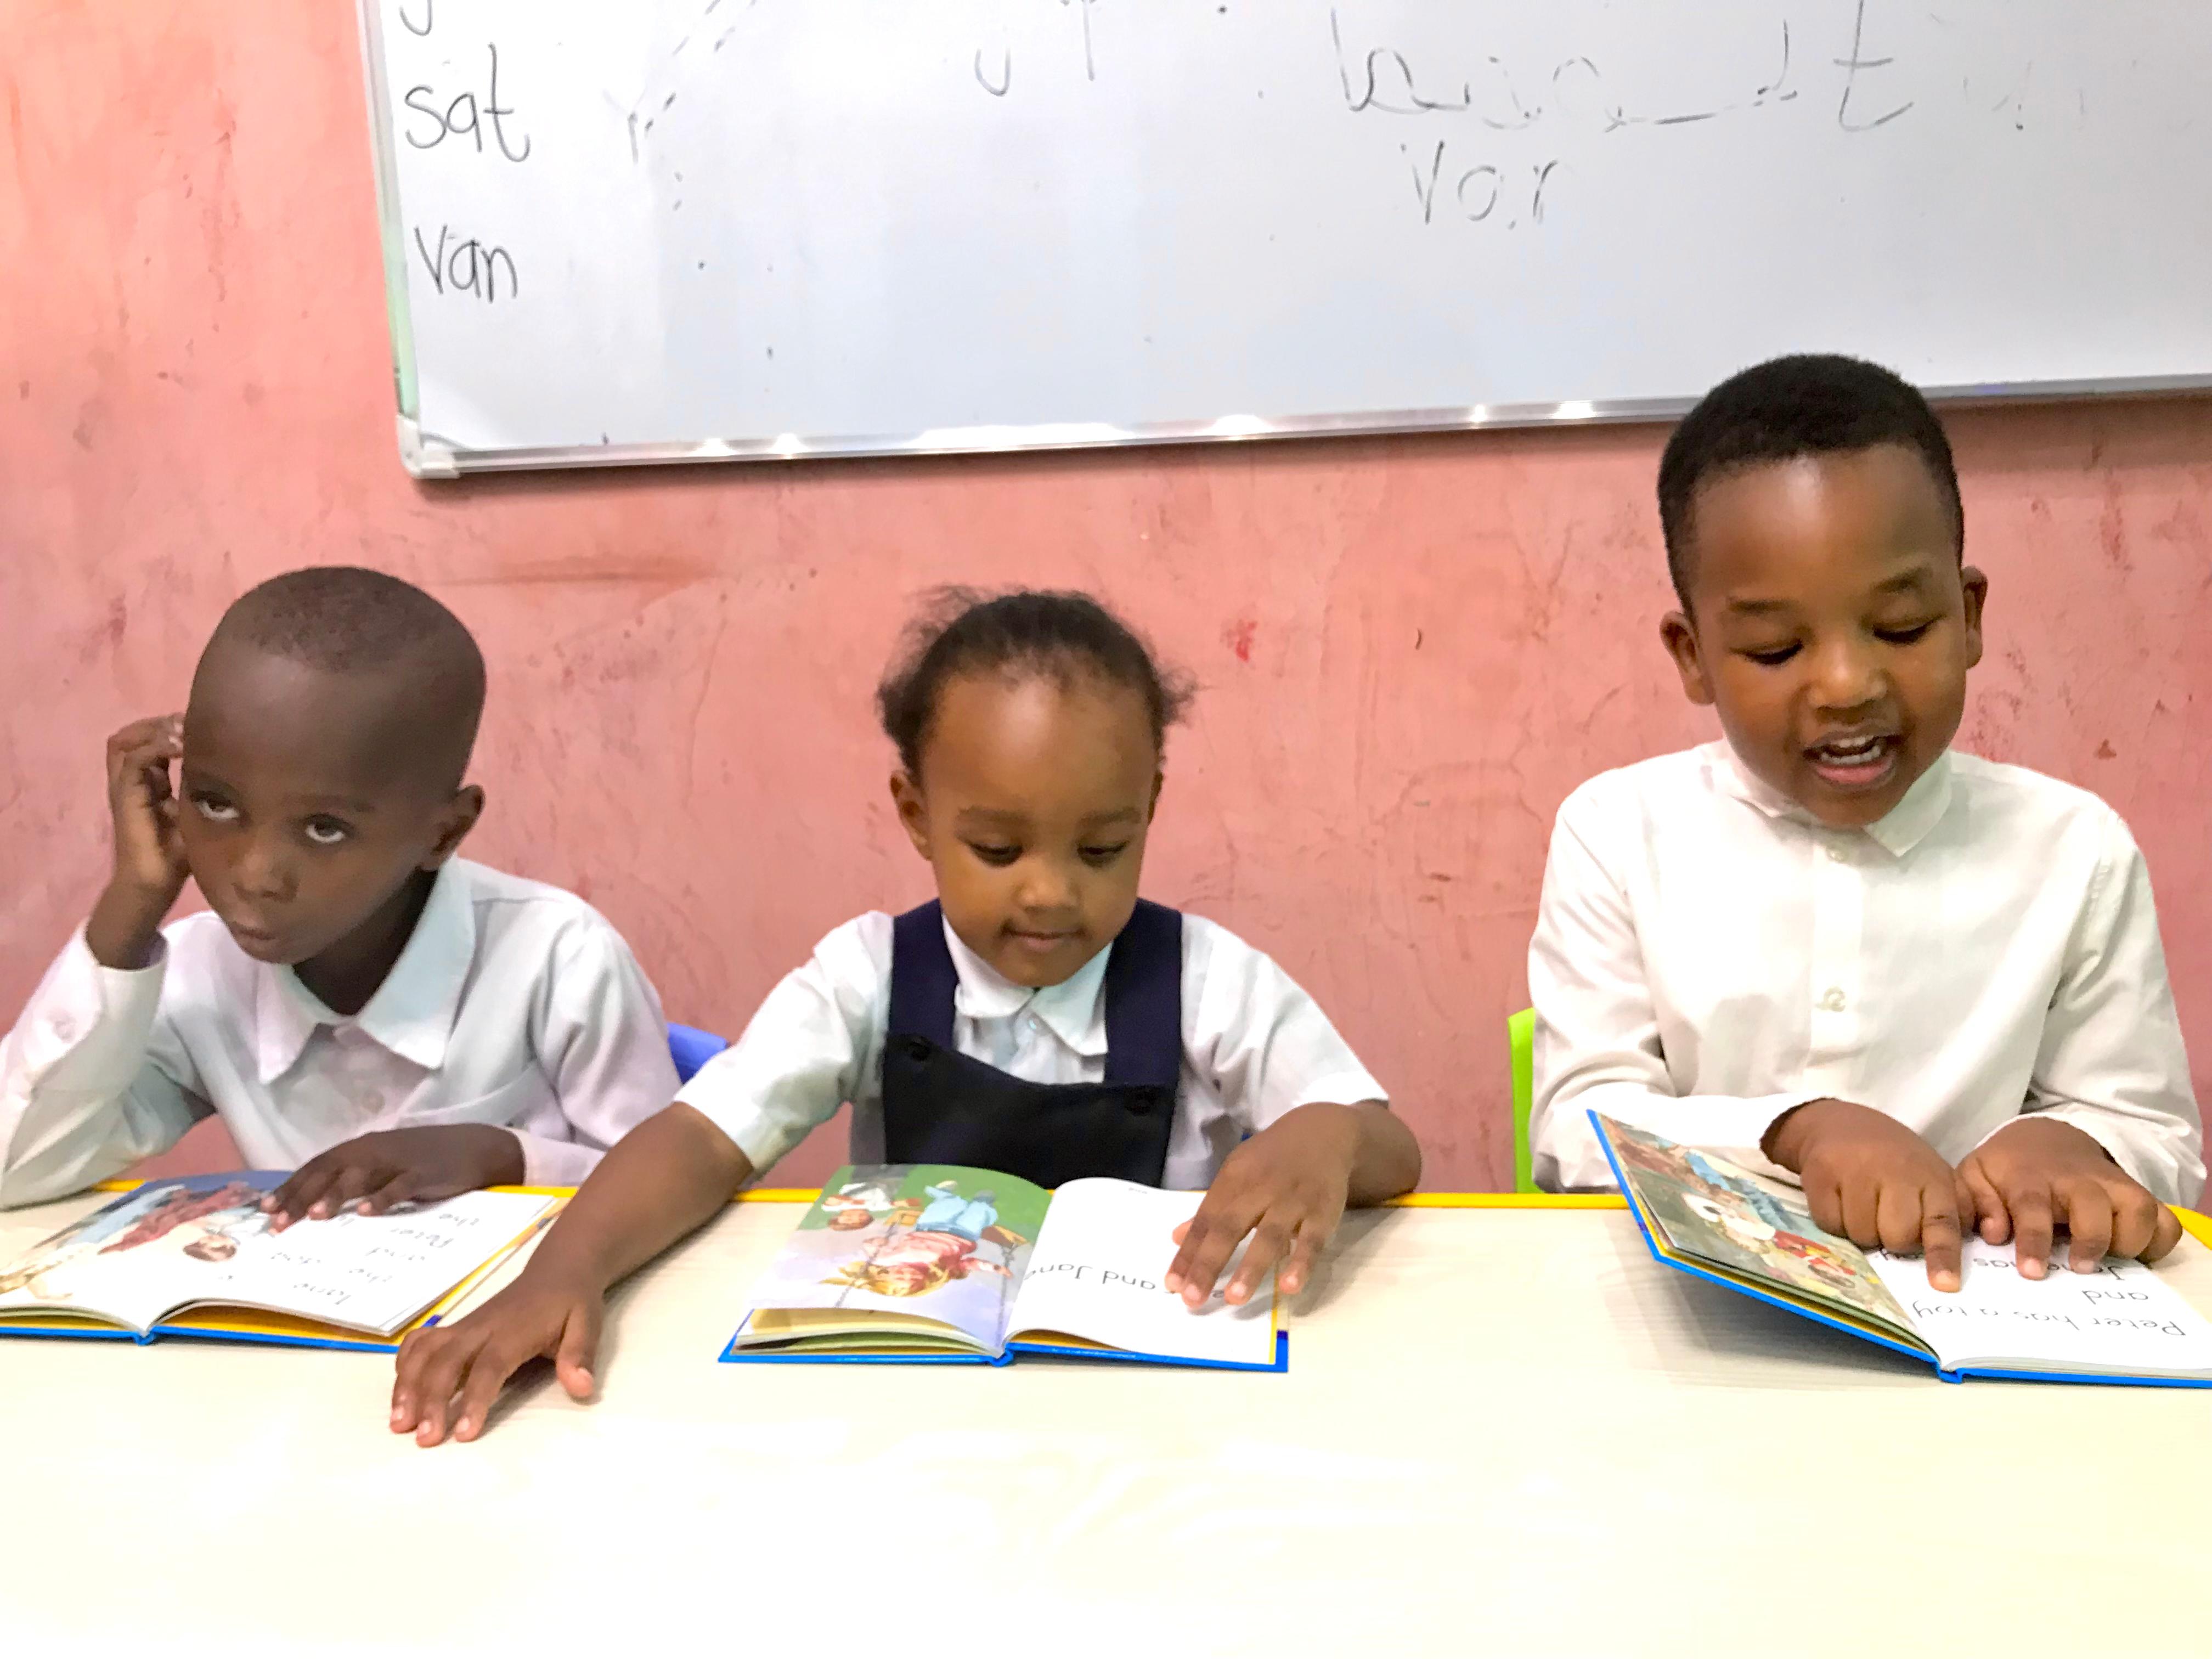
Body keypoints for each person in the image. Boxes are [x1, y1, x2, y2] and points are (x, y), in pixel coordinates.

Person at [392, 588, 1421, 1444]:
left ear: (1150, 807)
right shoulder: (865, 975)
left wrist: (1325, 1130)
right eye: (999, 849)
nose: (1051, 894)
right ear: (917, 814)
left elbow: (1390, 1150)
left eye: (1101, 848)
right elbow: (702, 1139)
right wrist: (563, 1270)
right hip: (909, 1404)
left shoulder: (1210, 978)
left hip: (1152, 1407)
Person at [1529, 354, 2202, 1290]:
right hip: (1713, 1321)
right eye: (1775, 647)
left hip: (1989, 1322)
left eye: (1898, 627)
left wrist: (2071, 1143)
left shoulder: (2074, 847)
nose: (1847, 685)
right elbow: (1578, 1126)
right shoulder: (1616, 831)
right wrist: (1793, 1132)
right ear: (1693, 657)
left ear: (1966, 617)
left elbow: (2154, 1132)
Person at [0, 567, 678, 1221]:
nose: (257, 873)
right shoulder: (200, 974)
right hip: (304, 1331)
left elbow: (673, 1193)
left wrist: (507, 1157)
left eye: (325, 828)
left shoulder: (559, 958)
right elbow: (21, 1171)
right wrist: (132, 904)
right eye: (215, 804)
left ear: (445, 832)